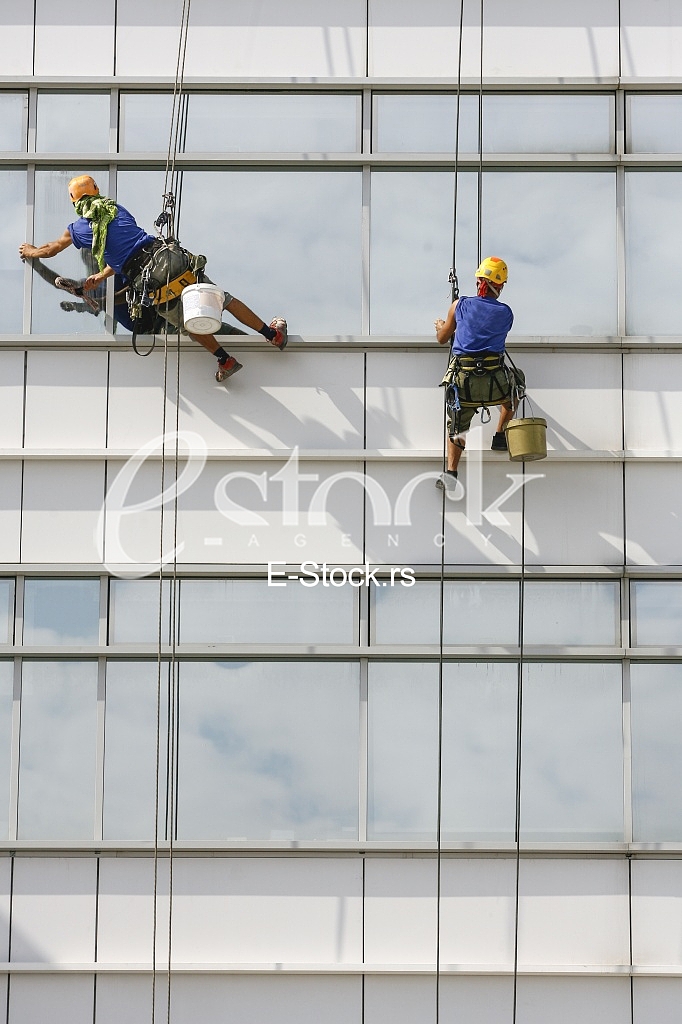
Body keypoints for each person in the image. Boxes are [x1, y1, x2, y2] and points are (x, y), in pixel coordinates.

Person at [19, 174, 286, 382]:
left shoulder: (77, 229)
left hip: (149, 283)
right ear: (97, 191)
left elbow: (52, 249)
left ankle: (225, 360)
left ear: (75, 202)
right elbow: (129, 248)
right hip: (168, 260)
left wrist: (32, 252)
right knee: (221, 301)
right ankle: (271, 334)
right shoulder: (116, 209)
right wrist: (101, 275)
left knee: (189, 323)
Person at [434, 256, 524, 493]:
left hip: (464, 383)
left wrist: (443, 326)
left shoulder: (459, 306)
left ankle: (451, 473)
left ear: (478, 281)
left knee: (458, 425)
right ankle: (499, 435)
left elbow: (443, 339)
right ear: (500, 285)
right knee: (517, 385)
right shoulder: (506, 313)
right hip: (495, 382)